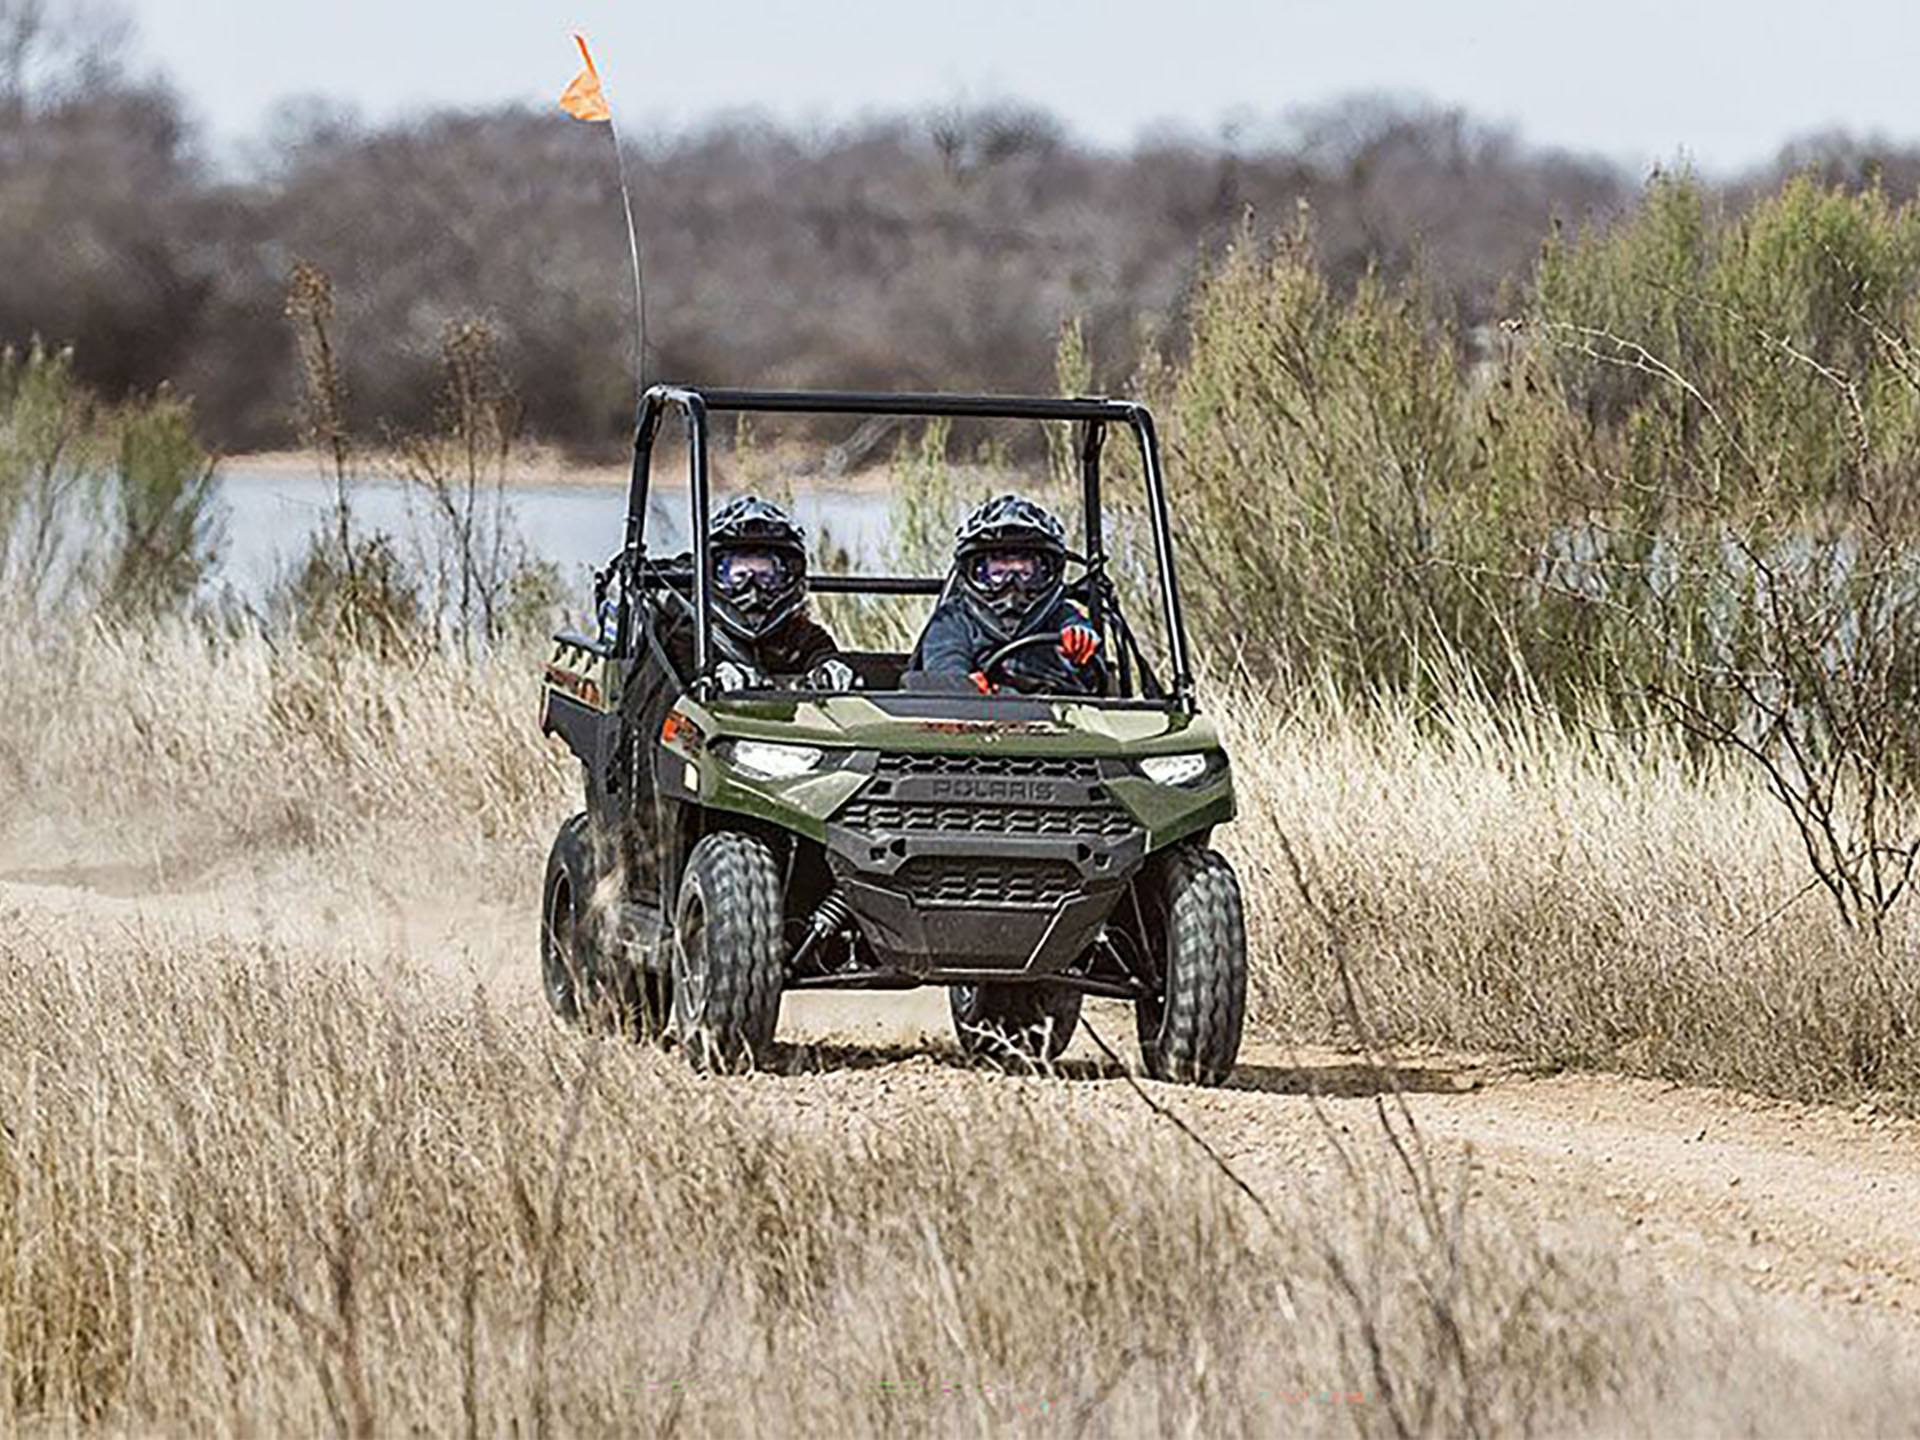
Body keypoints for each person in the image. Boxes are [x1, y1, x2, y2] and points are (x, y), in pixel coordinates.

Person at [912, 495, 1105, 696]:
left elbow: (1080, 632)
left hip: (1056, 716)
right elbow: (945, 666)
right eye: (998, 574)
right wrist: (963, 685)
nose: (1012, 587)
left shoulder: (1059, 613)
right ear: (975, 572)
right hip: (982, 718)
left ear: (1047, 572)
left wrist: (1080, 640)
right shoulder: (954, 619)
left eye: (1025, 574)